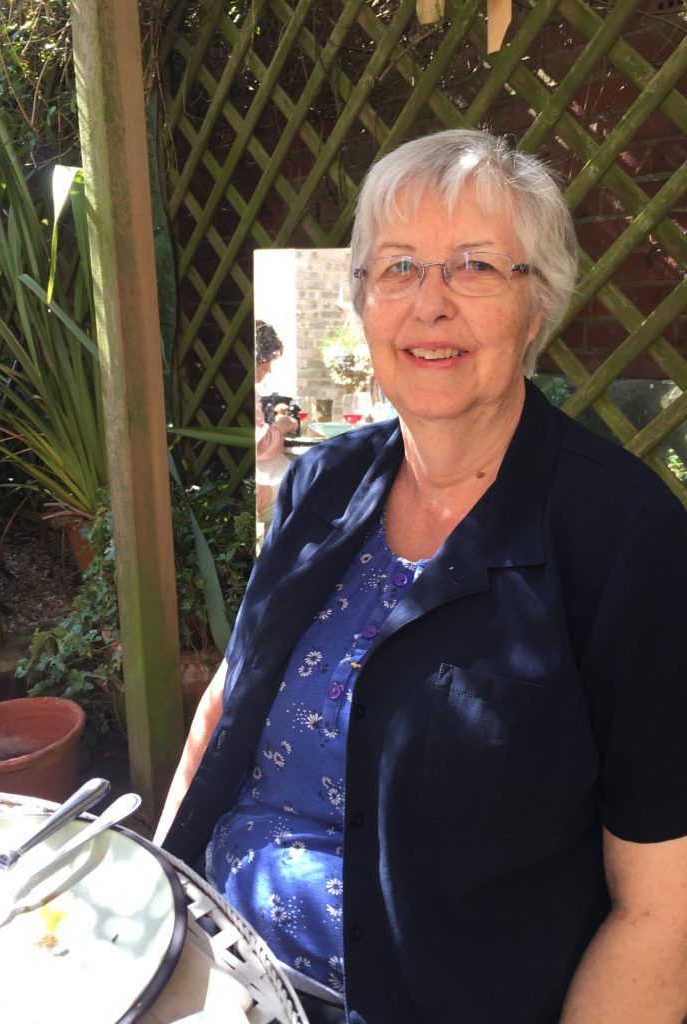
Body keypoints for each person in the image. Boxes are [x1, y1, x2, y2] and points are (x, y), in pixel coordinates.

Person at [156, 129, 687, 1023]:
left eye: (474, 267)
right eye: (397, 268)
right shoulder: (321, 482)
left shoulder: (626, 542)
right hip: (210, 956)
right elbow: (227, 703)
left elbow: (661, 909)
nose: (428, 306)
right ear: (362, 300)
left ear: (539, 302)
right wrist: (155, 887)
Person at [254, 320, 298, 524]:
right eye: (268, 361)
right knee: (305, 489)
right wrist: (281, 426)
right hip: (254, 492)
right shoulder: (246, 394)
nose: (269, 369)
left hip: (251, 482)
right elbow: (259, 445)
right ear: (258, 357)